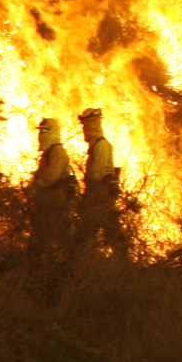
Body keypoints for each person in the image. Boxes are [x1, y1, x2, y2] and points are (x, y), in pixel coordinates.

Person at [74, 107, 129, 259]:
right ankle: (123, 261)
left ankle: (83, 262)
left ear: (92, 125)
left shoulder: (101, 145)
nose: (84, 129)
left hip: (100, 197)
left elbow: (95, 175)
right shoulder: (97, 145)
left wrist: (89, 197)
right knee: (111, 231)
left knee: (87, 233)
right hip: (100, 197)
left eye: (86, 125)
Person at [27, 117, 76, 259]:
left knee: (56, 233)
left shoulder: (58, 152)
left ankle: (68, 262)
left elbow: (51, 175)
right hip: (48, 200)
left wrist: (36, 185)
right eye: (40, 131)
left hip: (57, 200)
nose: (41, 134)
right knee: (43, 232)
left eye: (45, 131)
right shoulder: (48, 154)